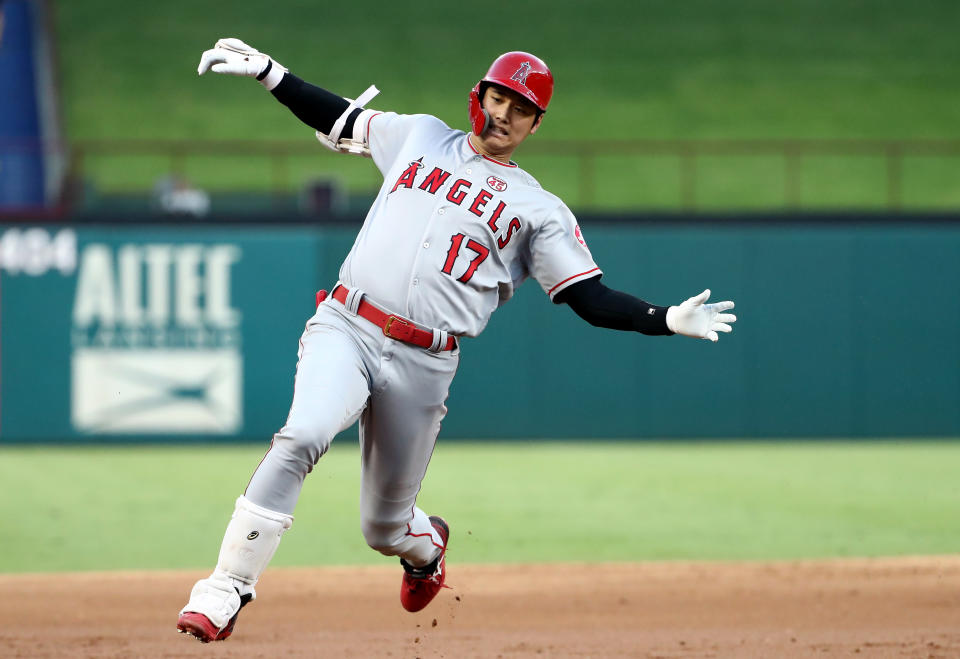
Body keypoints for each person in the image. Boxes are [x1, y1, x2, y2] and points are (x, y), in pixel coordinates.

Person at [177, 38, 737, 643]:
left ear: (534, 124)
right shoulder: (419, 136)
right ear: (479, 95)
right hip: (348, 325)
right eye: (499, 97)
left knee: (384, 529)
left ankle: (425, 550)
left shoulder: (538, 209)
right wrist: (270, 72)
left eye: (520, 108)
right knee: (304, 432)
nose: (504, 114)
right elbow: (337, 116)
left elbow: (589, 298)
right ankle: (226, 586)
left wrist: (663, 318)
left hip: (425, 361)